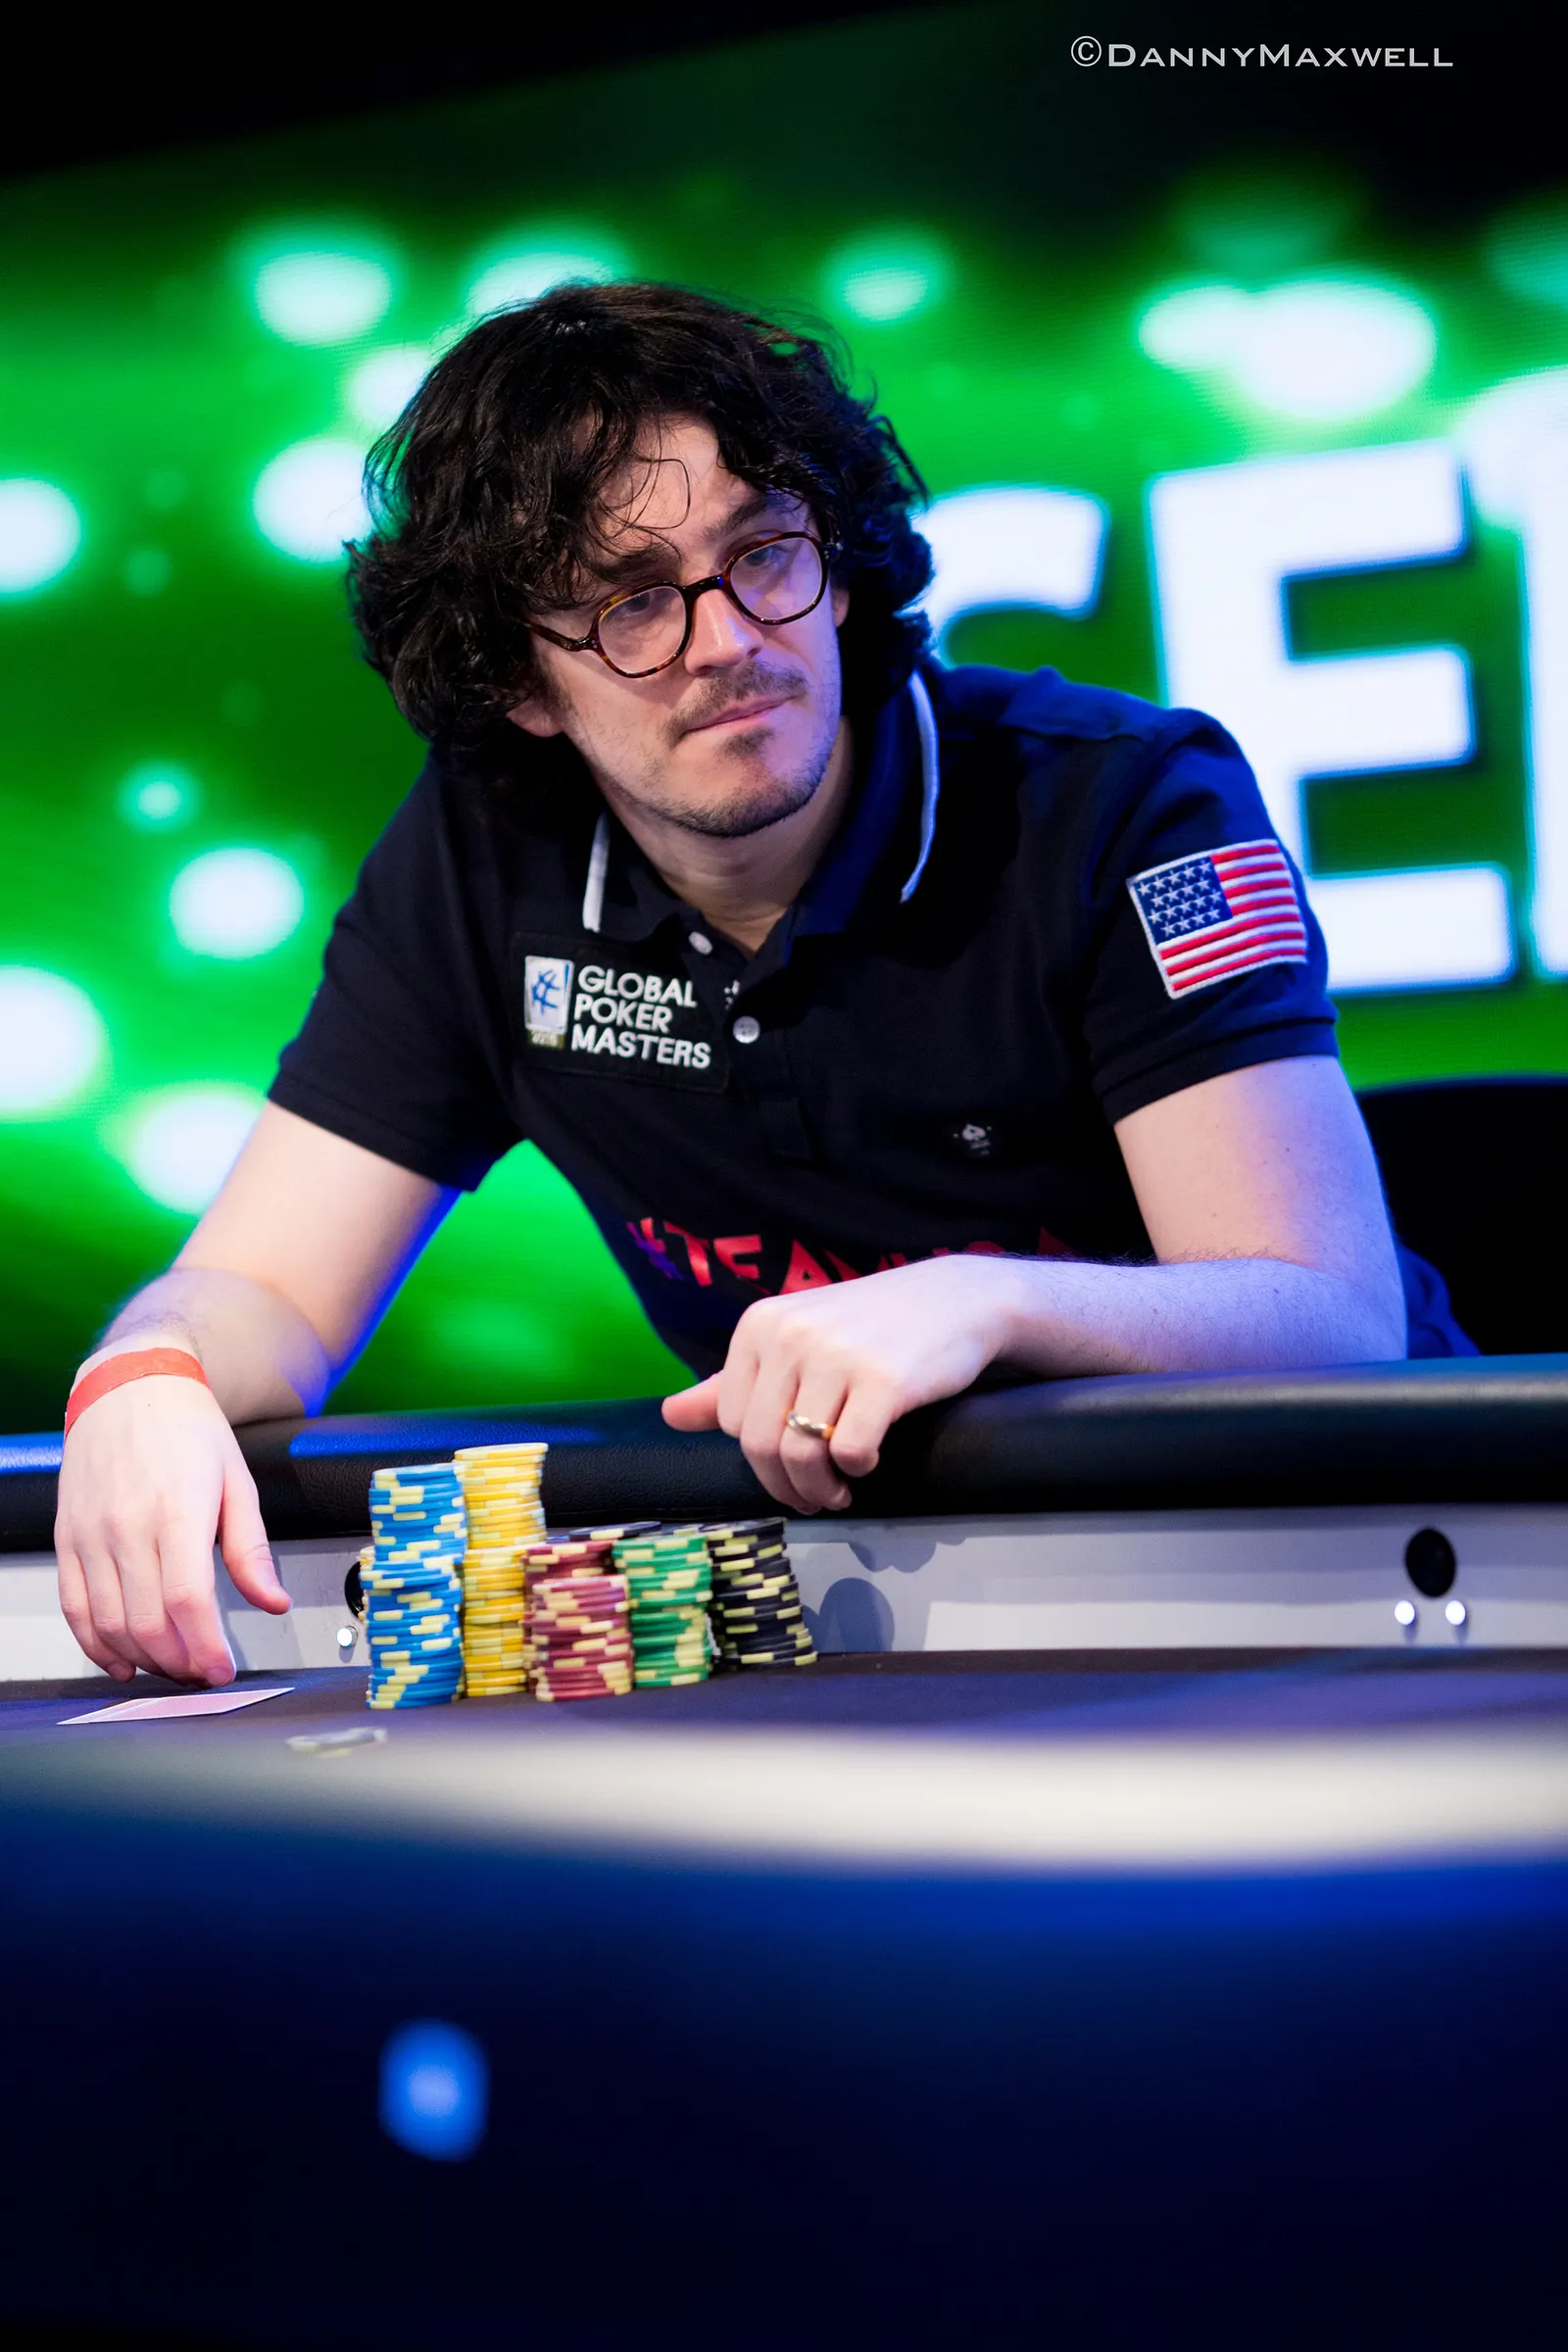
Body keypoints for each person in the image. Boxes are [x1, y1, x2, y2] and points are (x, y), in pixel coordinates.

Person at [54, 281, 1464, 1690]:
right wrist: (143, 1378)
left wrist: (984, 1302)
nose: (729, 640)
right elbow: (264, 1287)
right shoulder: (480, 866)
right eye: (630, 603)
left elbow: (1332, 1319)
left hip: (1343, 1572)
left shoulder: (1127, 803)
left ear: (838, 566)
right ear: (519, 682)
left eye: (765, 553)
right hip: (878, 1623)